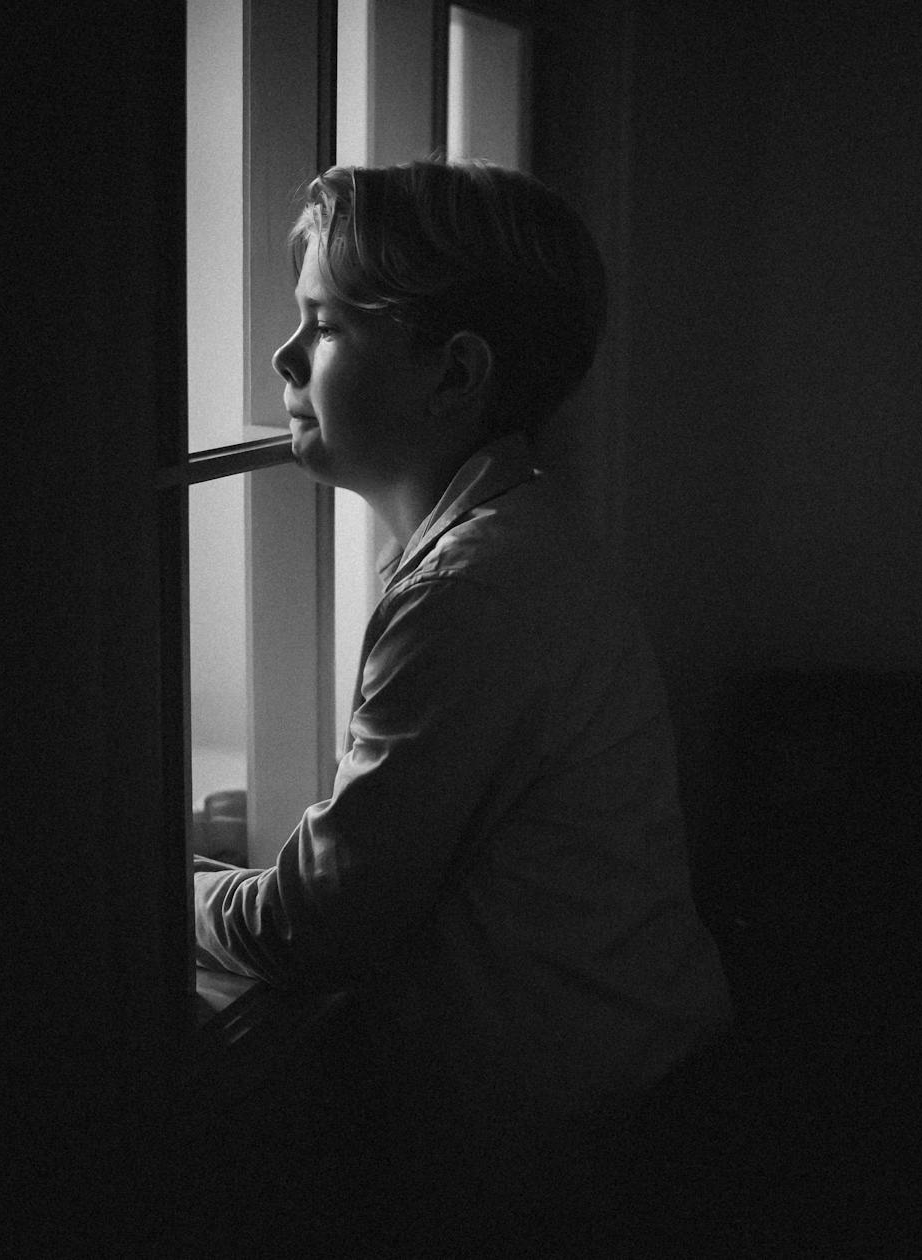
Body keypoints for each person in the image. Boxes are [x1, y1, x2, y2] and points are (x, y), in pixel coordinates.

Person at [191, 159, 732, 1247]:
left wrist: (173, 887)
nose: (282, 356)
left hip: (569, 1144)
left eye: (326, 324)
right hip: (637, 1073)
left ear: (454, 376)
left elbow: (318, 926)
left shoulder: (467, 592)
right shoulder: (515, 539)